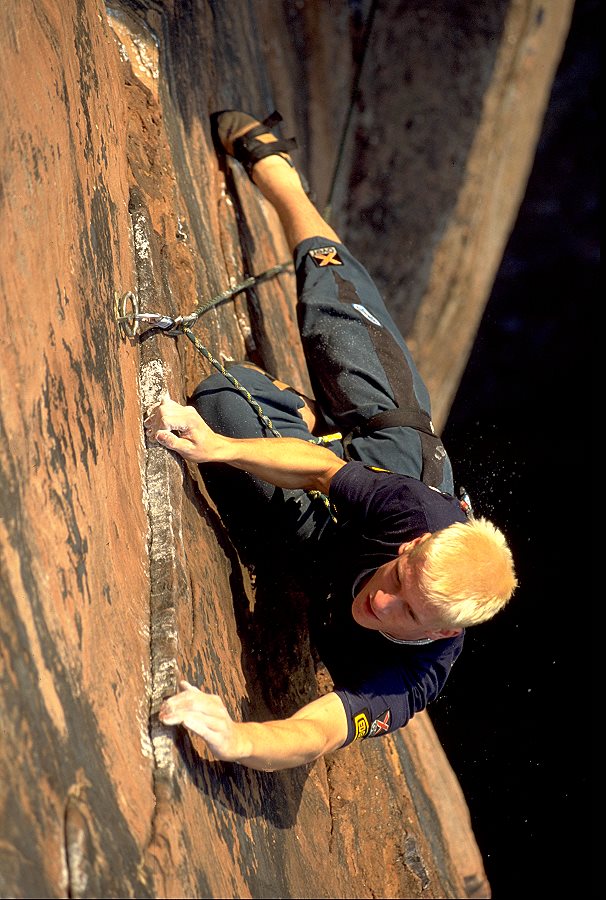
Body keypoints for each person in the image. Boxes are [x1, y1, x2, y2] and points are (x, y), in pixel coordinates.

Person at [145, 110, 517, 772]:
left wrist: (240, 738)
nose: (383, 601)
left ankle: (300, 413)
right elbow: (321, 473)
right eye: (402, 576)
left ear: (442, 632)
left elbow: (318, 730)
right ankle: (279, 173)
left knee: (224, 398)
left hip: (322, 539)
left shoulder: (418, 674)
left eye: (408, 611)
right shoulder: (413, 512)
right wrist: (218, 450)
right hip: (394, 446)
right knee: (333, 316)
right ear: (413, 545)